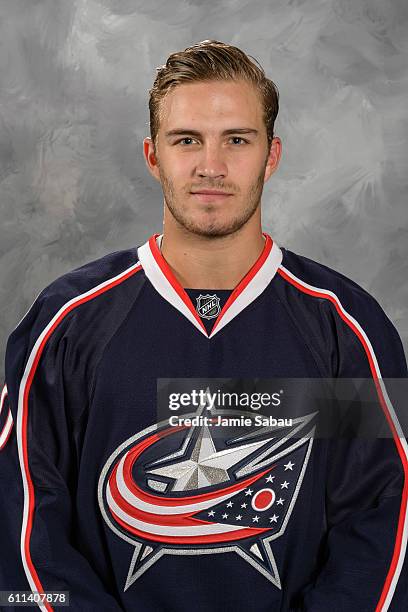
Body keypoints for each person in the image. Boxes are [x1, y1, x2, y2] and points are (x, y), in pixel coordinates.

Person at [0, 39, 407, 612]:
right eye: (186, 139)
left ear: (271, 155)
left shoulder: (345, 327)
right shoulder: (68, 322)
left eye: (237, 140)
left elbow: (384, 517)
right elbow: (20, 527)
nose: (210, 165)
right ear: (152, 155)